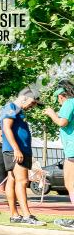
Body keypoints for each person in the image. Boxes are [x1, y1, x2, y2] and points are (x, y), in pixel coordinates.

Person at [0, 90, 43, 225]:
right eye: (32, 102)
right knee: (23, 181)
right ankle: (27, 215)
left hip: (22, 150)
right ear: (24, 97)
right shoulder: (11, 107)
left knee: (13, 180)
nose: (33, 106)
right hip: (16, 151)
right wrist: (16, 149)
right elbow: (6, 128)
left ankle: (14, 215)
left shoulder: (19, 111)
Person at [44, 83, 74, 218]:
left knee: (70, 183)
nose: (58, 100)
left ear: (61, 95)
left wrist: (51, 114)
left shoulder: (69, 102)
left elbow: (62, 122)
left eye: (58, 97)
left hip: (72, 150)